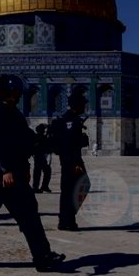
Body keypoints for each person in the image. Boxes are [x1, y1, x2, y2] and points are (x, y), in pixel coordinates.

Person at [0, 74, 65, 272]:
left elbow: (26, 142)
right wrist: (5, 169)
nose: (13, 97)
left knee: (29, 215)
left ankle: (42, 256)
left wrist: (43, 145)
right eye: (10, 93)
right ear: (2, 93)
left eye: (16, 94)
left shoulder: (17, 117)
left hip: (16, 177)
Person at [52, 91, 91, 231]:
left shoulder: (66, 119)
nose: (84, 106)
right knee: (82, 186)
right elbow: (69, 145)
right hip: (72, 161)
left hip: (67, 161)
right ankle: (68, 218)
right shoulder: (72, 121)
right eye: (83, 104)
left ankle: (65, 220)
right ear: (78, 105)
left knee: (68, 190)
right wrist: (75, 163)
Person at [31, 123, 52, 193]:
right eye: (43, 130)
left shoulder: (40, 136)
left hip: (41, 157)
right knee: (38, 172)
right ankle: (36, 187)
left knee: (47, 170)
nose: (44, 131)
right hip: (38, 157)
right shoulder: (38, 137)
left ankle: (43, 186)